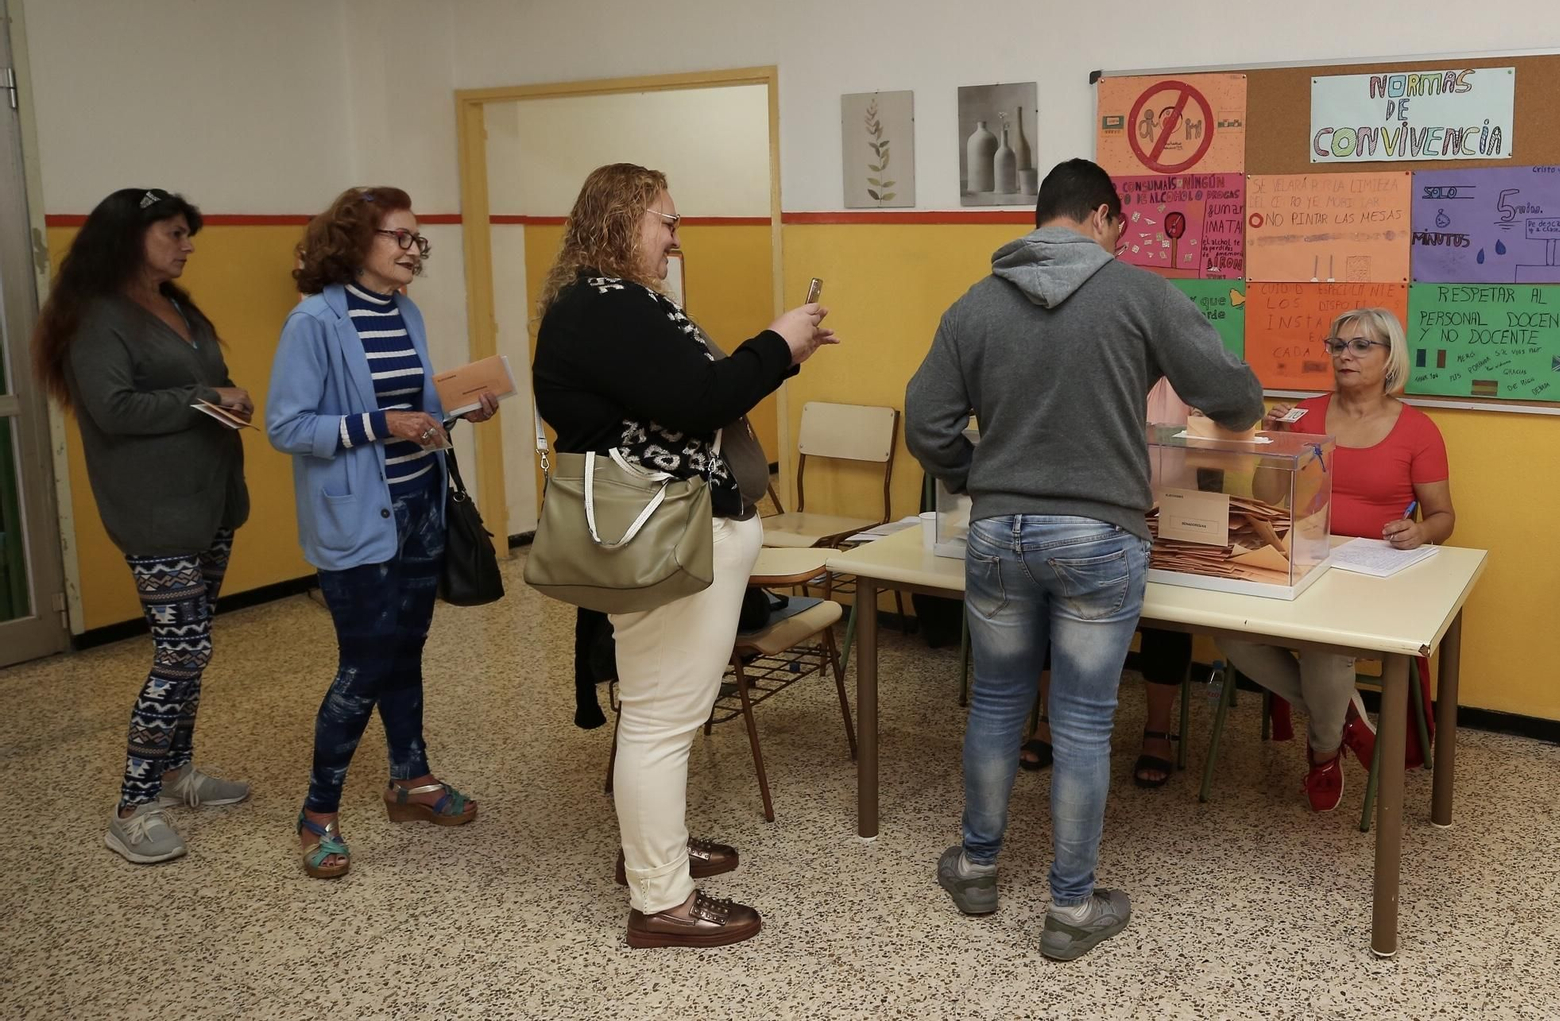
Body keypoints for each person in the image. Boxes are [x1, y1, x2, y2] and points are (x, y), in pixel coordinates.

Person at [907, 158, 1262, 962]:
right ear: (1104, 217)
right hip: (1099, 536)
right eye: (1118, 226)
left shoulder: (975, 304)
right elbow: (1235, 399)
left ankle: (975, 866)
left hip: (998, 534)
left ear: (1041, 218)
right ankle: (1070, 909)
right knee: (1083, 721)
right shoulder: (1140, 294)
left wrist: (981, 479)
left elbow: (925, 425)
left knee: (998, 703)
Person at [533, 163, 834, 949]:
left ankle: (652, 854)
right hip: (664, 534)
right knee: (665, 719)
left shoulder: (611, 303)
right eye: (665, 220)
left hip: (673, 530)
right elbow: (703, 399)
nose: (675, 235)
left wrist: (778, 351)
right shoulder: (601, 307)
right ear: (620, 220)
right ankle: (661, 899)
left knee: (655, 707)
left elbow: (688, 392)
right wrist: (779, 343)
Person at [267, 186, 498, 880]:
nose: (412, 250)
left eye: (416, 239)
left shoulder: (406, 312)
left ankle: (411, 780)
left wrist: (457, 410)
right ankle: (317, 813)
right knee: (363, 663)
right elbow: (288, 426)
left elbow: (411, 411)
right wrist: (382, 424)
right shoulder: (313, 322)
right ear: (354, 241)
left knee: (407, 649)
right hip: (354, 520)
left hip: (420, 507)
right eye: (400, 237)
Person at [32, 188, 254, 865]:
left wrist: (227, 395)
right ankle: (133, 804)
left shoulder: (178, 306)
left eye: (189, 235)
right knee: (180, 653)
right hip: (155, 514)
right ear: (130, 237)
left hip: (209, 502)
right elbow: (114, 407)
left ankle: (178, 771)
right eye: (175, 233)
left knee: (196, 647)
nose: (187, 246)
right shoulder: (100, 317)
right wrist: (205, 397)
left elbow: (199, 383)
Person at [1221, 307, 1457, 812]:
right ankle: (1347, 717)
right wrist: (1273, 444)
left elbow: (1443, 518)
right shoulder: (1302, 414)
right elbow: (1268, 499)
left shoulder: (1418, 430)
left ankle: (1324, 751)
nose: (1344, 355)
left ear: (1390, 357)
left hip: (1373, 574)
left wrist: (1418, 532)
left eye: (1360, 346)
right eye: (1338, 344)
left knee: (1327, 645)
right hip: (1304, 561)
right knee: (1230, 630)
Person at [1019, 381, 1196, 789]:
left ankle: (1157, 730)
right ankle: (1049, 720)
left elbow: (1232, 428)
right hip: (1086, 514)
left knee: (1165, 619)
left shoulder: (1181, 373)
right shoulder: (1095, 360)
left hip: (1168, 519)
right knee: (1051, 606)